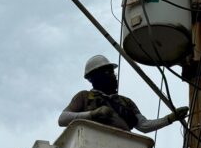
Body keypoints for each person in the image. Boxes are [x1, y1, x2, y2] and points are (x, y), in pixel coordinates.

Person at [58, 55, 189, 133]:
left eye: (112, 73)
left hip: (122, 147)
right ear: (94, 77)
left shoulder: (126, 102)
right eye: (107, 73)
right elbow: (63, 118)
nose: (112, 76)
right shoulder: (84, 96)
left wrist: (170, 118)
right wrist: (92, 114)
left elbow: (143, 126)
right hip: (92, 142)